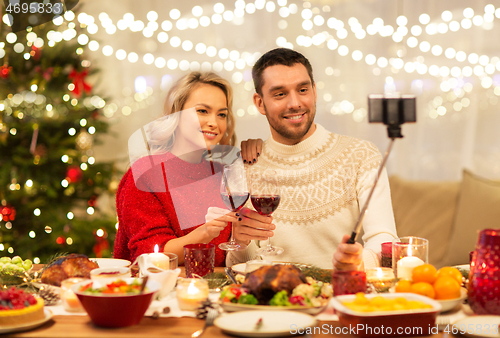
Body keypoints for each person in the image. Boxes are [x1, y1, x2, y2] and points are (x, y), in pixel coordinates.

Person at [227, 48, 398, 270]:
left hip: (343, 292)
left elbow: (386, 240)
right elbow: (240, 266)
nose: (295, 103)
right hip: (272, 299)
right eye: (280, 94)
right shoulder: (245, 165)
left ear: (314, 92)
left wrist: (361, 261)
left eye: (303, 89)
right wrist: (240, 243)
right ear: (260, 103)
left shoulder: (361, 155)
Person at [114, 72, 239, 266]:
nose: (214, 123)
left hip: (218, 291)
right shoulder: (146, 174)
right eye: (202, 111)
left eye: (221, 114)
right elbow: (151, 255)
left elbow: (232, 254)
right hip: (159, 292)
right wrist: (204, 233)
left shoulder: (225, 174)